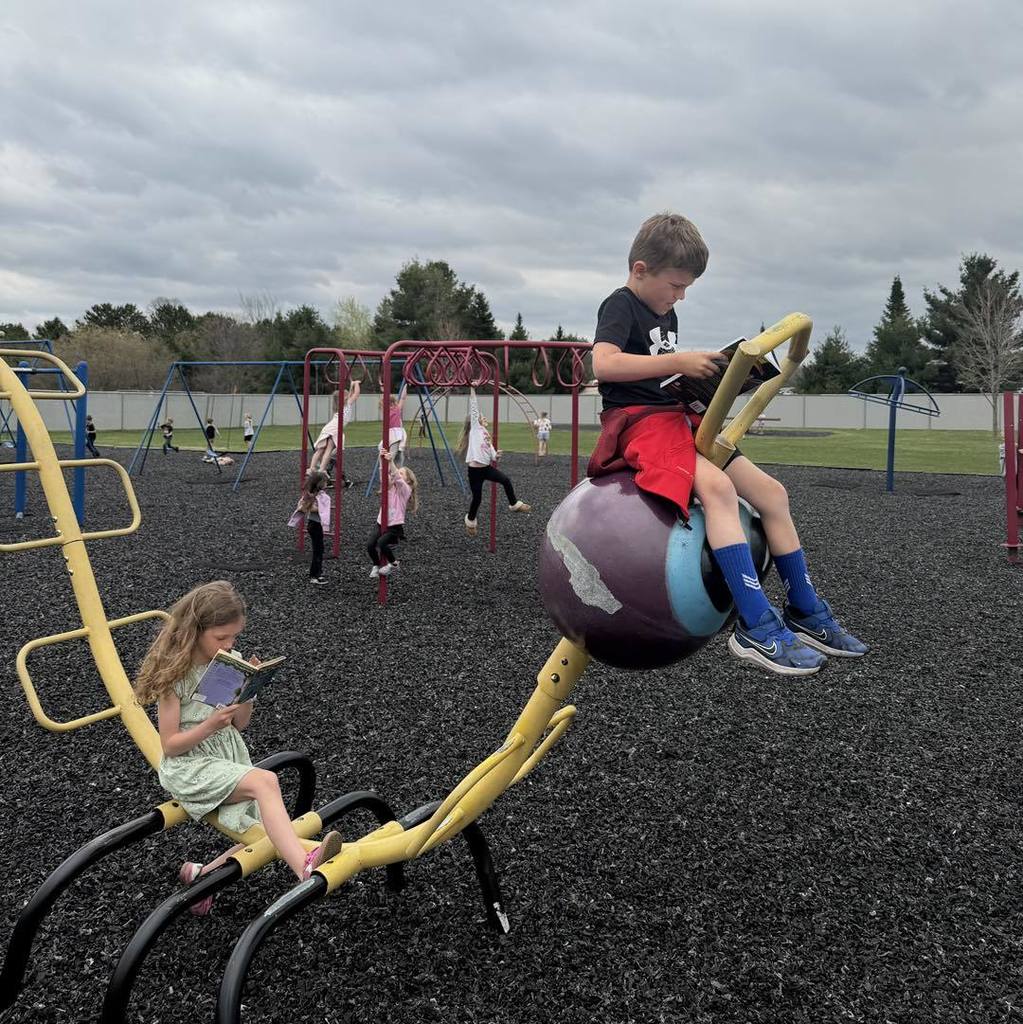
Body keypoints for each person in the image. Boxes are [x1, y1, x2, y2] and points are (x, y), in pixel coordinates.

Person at [588, 211, 867, 676]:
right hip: (640, 425)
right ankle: (755, 626)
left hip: (676, 417)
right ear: (640, 270)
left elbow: (664, 374)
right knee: (717, 490)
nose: (679, 296)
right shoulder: (619, 305)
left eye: (686, 289)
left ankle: (806, 610)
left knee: (773, 494)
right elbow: (605, 365)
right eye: (676, 285)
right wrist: (678, 360)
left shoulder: (665, 309)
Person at [133, 581, 343, 914]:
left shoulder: (229, 662)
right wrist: (208, 726)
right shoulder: (173, 675)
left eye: (234, 637)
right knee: (266, 782)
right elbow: (170, 746)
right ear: (195, 631)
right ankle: (304, 868)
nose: (230, 644)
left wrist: (250, 690)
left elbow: (240, 724)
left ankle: (204, 878)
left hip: (224, 755)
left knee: (264, 831)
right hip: (189, 766)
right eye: (222, 638)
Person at [457, 386, 530, 536]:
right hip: (475, 471)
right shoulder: (476, 430)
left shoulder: (485, 434)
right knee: (477, 498)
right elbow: (474, 407)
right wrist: (472, 389)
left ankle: (514, 504)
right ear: (476, 421)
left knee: (506, 480)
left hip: (486, 469)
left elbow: (492, 454)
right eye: (482, 417)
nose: (484, 418)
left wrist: (497, 455)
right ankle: (470, 520)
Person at [368, 451, 418, 578]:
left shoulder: (406, 491)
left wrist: (390, 462)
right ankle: (376, 565)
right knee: (370, 545)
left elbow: (398, 478)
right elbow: (383, 477)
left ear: (407, 479)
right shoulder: (390, 488)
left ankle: (394, 564)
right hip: (381, 522)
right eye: (398, 472)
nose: (397, 474)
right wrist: (381, 460)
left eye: (402, 473)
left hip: (394, 526)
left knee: (381, 543)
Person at [308, 380, 359, 489]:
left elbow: (350, 394)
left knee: (324, 449)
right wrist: (357, 384)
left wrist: (351, 385)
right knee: (327, 449)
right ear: (344, 398)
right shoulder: (347, 403)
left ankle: (314, 468)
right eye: (346, 395)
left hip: (333, 427)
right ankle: (319, 468)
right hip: (335, 427)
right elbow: (355, 394)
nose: (348, 395)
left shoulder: (342, 405)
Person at [288, 469, 331, 585]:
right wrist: (316, 507)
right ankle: (315, 575)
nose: (327, 484)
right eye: (326, 482)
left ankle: (318, 573)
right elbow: (311, 509)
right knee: (318, 550)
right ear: (321, 484)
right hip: (315, 525)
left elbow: (306, 507)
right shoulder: (315, 496)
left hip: (314, 524)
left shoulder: (313, 495)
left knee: (319, 549)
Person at [377, 389, 408, 467]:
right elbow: (402, 398)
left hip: (395, 434)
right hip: (391, 433)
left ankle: (388, 468)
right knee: (384, 448)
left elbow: (403, 398)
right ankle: (388, 466)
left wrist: (406, 387)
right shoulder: (390, 409)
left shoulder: (395, 409)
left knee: (393, 452)